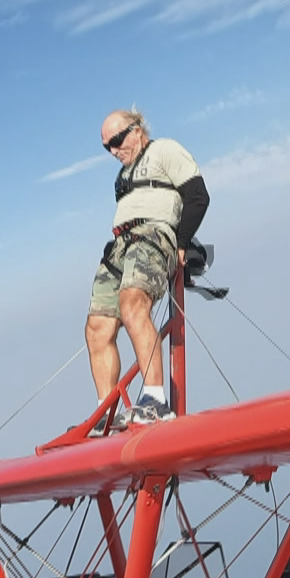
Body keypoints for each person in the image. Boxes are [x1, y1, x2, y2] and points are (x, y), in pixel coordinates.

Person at [88, 109, 210, 429]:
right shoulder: (122, 178)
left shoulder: (164, 150)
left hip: (155, 235)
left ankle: (155, 401)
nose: (113, 151)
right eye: (107, 147)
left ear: (137, 129)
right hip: (120, 245)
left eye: (116, 141)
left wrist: (181, 243)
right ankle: (107, 413)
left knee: (133, 302)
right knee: (97, 326)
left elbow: (197, 196)